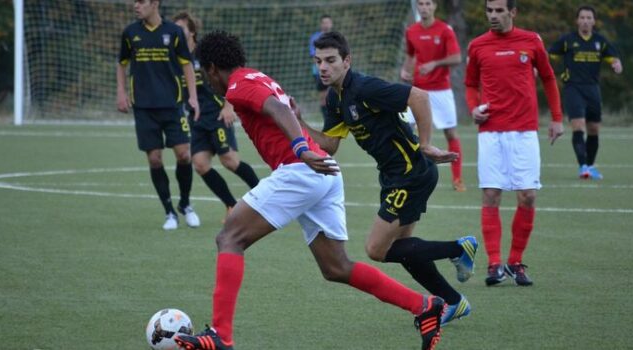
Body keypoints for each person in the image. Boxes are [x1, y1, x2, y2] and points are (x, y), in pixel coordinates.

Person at [174, 30, 446, 350]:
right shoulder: (253, 76)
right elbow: (283, 107)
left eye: (206, 76)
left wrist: (301, 147)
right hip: (322, 173)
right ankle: (425, 306)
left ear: (211, 69)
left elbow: (279, 109)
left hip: (302, 169)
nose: (209, 83)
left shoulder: (237, 85)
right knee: (336, 267)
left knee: (229, 237)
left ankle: (220, 336)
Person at [299, 31, 477, 326]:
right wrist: (298, 120)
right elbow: (329, 145)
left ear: (347, 61)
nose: (323, 67)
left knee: (376, 249)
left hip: (411, 174)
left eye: (330, 60)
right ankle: (455, 302)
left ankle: (459, 248)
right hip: (394, 177)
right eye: (318, 61)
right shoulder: (335, 98)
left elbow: (418, 96)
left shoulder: (365, 88)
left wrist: (425, 143)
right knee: (405, 250)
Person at [464, 0, 564, 286]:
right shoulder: (478, 45)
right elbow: (470, 84)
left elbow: (547, 76)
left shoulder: (531, 41)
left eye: (498, 10)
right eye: (489, 11)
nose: (493, 16)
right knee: (491, 195)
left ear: (512, 12)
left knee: (528, 196)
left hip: (524, 132)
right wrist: (473, 108)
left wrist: (557, 118)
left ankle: (515, 262)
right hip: (491, 132)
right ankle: (494, 264)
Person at [116, 0, 200, 230]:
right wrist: (121, 92)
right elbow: (122, 64)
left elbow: (186, 65)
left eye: (141, 1)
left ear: (155, 4)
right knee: (154, 158)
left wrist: (192, 97)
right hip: (143, 107)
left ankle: (185, 203)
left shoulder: (173, 32)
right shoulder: (130, 33)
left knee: (184, 155)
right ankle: (169, 212)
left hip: (172, 105)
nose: (136, 5)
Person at [173, 12, 260, 222]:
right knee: (201, 164)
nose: (176, 32)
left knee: (230, 161)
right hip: (196, 120)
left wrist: (229, 105)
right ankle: (231, 205)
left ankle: (264, 198)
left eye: (181, 28)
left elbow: (231, 76)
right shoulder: (175, 58)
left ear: (192, 31)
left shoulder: (205, 55)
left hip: (217, 114)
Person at [548, 5, 623, 180]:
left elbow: (614, 57)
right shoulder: (567, 40)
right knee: (578, 125)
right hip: (573, 88)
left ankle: (590, 166)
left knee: (594, 129)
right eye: (582, 17)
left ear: (594, 21)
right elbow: (549, 55)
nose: (585, 21)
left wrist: (616, 64)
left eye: (589, 18)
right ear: (577, 21)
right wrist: (537, 66)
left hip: (593, 89)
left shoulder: (600, 41)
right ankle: (583, 167)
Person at [401, 0, 466, 192]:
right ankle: (409, 175)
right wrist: (405, 71)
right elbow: (410, 57)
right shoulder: (411, 30)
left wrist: (435, 64)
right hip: (418, 91)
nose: (424, 7)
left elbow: (456, 58)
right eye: (420, 3)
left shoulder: (445, 30)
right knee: (405, 130)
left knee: (450, 133)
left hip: (441, 91)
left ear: (434, 6)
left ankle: (457, 179)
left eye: (428, 3)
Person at [309, 14, 334, 120]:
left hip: (334, 71)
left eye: (328, 22)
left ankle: (336, 118)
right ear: (321, 24)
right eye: (324, 23)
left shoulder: (335, 37)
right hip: (319, 71)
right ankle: (327, 120)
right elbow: (313, 55)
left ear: (331, 24)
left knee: (334, 94)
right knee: (323, 97)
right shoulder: (315, 37)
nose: (326, 25)